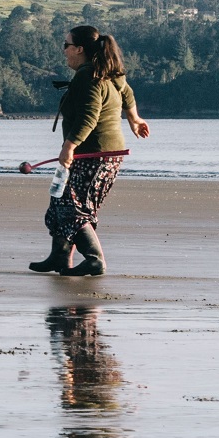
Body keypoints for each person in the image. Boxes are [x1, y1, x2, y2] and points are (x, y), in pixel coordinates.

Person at [28, 25, 149, 276]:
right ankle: (60, 257)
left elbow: (89, 117)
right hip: (102, 154)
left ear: (79, 49)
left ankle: (95, 260)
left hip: (95, 154)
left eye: (66, 45)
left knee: (73, 207)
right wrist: (134, 118)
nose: (64, 51)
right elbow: (126, 91)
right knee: (61, 201)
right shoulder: (107, 73)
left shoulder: (89, 75)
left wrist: (69, 146)